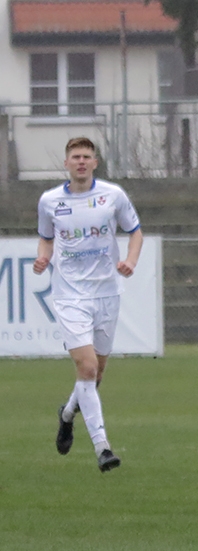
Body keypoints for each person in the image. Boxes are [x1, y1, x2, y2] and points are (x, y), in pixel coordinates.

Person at [35, 136, 143, 472]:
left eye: (87, 156)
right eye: (75, 157)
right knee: (87, 368)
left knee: (95, 376)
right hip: (69, 296)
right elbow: (46, 237)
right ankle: (103, 448)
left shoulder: (113, 195)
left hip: (107, 294)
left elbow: (135, 231)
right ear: (66, 164)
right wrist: (43, 257)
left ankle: (67, 414)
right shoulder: (50, 201)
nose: (81, 161)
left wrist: (130, 260)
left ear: (95, 163)